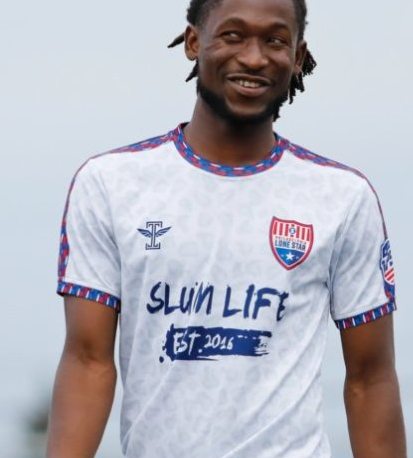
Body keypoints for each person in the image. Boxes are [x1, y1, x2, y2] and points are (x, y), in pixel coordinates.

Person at [46, 0, 407, 457]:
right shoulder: (112, 185)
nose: (254, 58)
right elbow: (87, 361)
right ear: (193, 42)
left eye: (275, 40)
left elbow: (370, 378)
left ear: (297, 57)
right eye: (232, 35)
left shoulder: (341, 197)